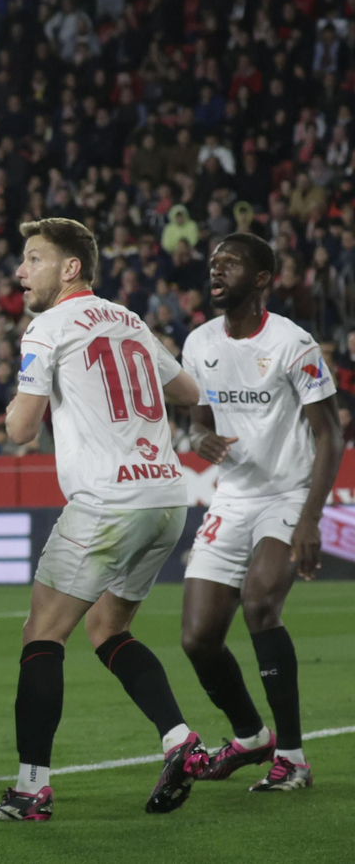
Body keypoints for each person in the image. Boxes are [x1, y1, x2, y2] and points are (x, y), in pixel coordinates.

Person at [0, 218, 206, 823]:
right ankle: (180, 739)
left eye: (32, 259)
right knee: (107, 629)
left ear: (70, 267)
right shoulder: (127, 319)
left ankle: (31, 791)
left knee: (42, 635)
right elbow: (186, 390)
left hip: (107, 503)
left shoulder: (47, 328)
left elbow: (21, 432)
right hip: (166, 497)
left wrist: (18, 406)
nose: (21, 272)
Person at [178, 233, 339, 792]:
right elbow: (197, 419)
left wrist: (312, 519)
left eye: (231, 263)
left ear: (263, 278)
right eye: (214, 263)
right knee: (197, 637)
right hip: (232, 496)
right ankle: (251, 736)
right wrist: (198, 437)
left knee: (260, 602)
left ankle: (292, 756)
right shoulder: (199, 342)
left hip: (288, 494)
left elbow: (331, 436)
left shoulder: (294, 344)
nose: (216, 270)